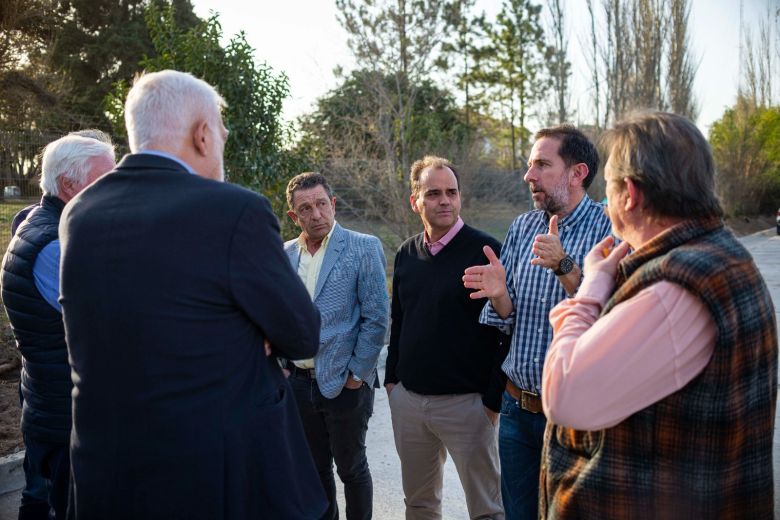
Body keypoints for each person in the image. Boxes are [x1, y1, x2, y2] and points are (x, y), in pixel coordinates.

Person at [58, 70, 327, 519]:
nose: (221, 144)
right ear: (203, 135)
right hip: (217, 480)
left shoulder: (79, 214)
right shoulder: (234, 210)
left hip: (108, 474)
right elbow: (302, 334)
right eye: (221, 133)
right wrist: (249, 330)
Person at [539, 111, 777, 518]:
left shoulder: (673, 289)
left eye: (609, 187)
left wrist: (592, 286)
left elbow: (563, 395)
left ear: (629, 194)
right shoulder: (716, 254)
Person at [463, 125, 612, 519]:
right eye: (530, 165)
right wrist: (499, 295)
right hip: (516, 409)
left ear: (577, 173)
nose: (528, 176)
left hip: (574, 415)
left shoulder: (609, 230)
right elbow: (510, 321)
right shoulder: (522, 227)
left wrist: (565, 267)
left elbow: (610, 319)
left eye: (542, 165)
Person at [385, 155, 507, 520]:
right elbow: (399, 319)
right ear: (415, 201)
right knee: (419, 505)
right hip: (410, 402)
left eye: (451, 192)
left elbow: (506, 327)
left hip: (468, 406)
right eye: (434, 193)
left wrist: (491, 400)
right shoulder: (407, 252)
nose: (444, 201)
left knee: (487, 509)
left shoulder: (485, 251)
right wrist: (392, 382)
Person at [1, 134, 115, 520]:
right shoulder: (54, 245)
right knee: (58, 506)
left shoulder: (45, 225)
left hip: (50, 402)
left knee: (43, 499)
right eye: (106, 178)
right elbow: (106, 325)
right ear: (70, 185)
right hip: (64, 413)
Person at [282, 172, 389, 520]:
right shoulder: (284, 255)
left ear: (333, 204)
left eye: (322, 204)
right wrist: (283, 365)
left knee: (352, 468)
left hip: (345, 382)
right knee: (315, 471)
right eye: (306, 208)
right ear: (293, 217)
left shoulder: (364, 246)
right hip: (297, 384)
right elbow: (277, 313)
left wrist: (358, 374)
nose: (316, 214)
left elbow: (376, 318)